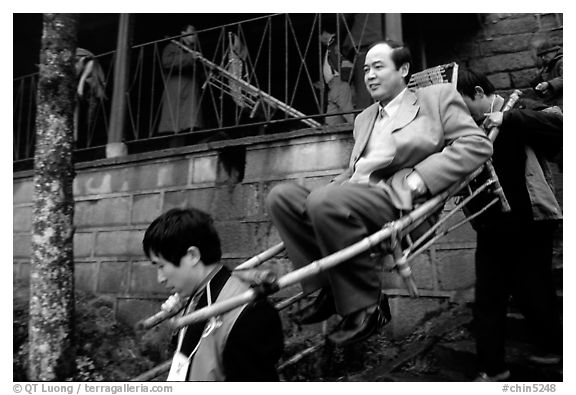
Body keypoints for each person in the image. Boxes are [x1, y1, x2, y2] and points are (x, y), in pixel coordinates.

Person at [265, 40, 493, 346]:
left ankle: (369, 305)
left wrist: (420, 180)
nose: (369, 75)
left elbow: (476, 144)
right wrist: (333, 188)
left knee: (323, 201)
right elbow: (355, 170)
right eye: (365, 69)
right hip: (353, 198)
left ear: (403, 69)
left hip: (399, 200)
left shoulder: (436, 98)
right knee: (280, 197)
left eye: (378, 67)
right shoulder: (364, 118)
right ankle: (328, 288)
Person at [456, 69, 563, 382]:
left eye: (460, 104)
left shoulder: (519, 109)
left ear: (478, 92)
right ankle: (493, 368)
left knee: (534, 291)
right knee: (488, 298)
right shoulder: (463, 132)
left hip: (530, 223)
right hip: (491, 226)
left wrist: (509, 120)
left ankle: (553, 349)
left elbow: (561, 125)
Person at [142, 208, 284, 381]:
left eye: (161, 266)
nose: (160, 278)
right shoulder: (197, 297)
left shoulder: (249, 311)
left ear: (192, 256)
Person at [157, 25, 205, 142]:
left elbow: (199, 73)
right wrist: (190, 57)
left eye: (196, 33)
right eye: (192, 33)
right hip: (178, 94)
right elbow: (167, 62)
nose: (195, 36)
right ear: (183, 33)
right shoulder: (172, 47)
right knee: (176, 128)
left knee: (191, 128)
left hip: (190, 94)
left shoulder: (194, 50)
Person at [319, 31, 355, 126]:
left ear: (324, 33)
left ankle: (360, 132)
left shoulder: (335, 44)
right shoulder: (331, 46)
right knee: (332, 118)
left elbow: (343, 61)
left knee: (347, 111)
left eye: (319, 36)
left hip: (338, 82)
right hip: (333, 85)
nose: (319, 40)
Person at [74, 47, 107, 147]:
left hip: (93, 93)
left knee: (92, 121)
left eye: (75, 62)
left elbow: (91, 61)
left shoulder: (87, 61)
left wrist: (81, 82)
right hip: (85, 97)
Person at [530, 34, 563, 109]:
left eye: (545, 54)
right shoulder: (547, 67)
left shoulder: (561, 61)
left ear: (554, 52)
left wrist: (548, 84)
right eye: (541, 56)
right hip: (554, 104)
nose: (543, 58)